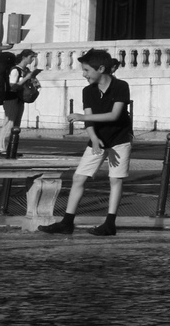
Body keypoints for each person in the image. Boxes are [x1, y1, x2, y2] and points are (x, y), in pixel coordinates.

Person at [39, 49, 133, 237]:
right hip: (97, 138)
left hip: (120, 139)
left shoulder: (121, 86)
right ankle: (67, 222)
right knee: (79, 177)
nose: (84, 74)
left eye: (87, 70)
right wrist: (94, 138)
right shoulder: (88, 91)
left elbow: (115, 115)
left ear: (101, 68)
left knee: (115, 179)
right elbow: (90, 120)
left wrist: (82, 117)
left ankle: (110, 223)